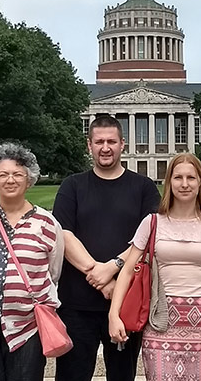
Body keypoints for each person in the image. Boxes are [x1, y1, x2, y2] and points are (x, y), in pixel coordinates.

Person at [53, 115, 160, 381]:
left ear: (123, 144)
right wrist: (101, 280)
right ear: (89, 145)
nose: (105, 147)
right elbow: (64, 236)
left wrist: (115, 267)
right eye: (99, 141)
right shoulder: (73, 186)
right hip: (76, 304)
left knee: (122, 376)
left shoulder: (144, 187)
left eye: (111, 141)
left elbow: (149, 238)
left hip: (127, 303)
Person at [108, 153, 201, 381]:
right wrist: (113, 315)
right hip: (160, 323)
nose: (184, 184)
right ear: (169, 182)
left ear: (200, 182)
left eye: (191, 178)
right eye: (178, 178)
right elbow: (127, 270)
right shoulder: (152, 222)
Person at [0, 142, 64, 381]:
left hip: (28, 327)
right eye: (3, 174)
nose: (10, 180)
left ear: (29, 180)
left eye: (18, 174)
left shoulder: (47, 223)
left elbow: (52, 272)